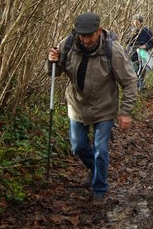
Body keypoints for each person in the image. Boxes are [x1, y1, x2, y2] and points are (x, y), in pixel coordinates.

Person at [47, 12, 138, 203]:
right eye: (82, 35)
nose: (85, 40)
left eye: (89, 35)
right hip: (77, 105)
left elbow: (130, 82)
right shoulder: (69, 44)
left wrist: (126, 112)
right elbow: (55, 72)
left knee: (100, 150)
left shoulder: (113, 50)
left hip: (104, 107)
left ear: (99, 31)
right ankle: (95, 169)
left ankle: (99, 189)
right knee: (77, 146)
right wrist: (52, 61)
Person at [122, 14, 153, 90]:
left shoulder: (147, 31)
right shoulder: (130, 30)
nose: (136, 23)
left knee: (142, 70)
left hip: (143, 53)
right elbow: (126, 41)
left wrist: (145, 46)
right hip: (132, 53)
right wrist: (132, 35)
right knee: (134, 70)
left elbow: (151, 43)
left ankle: (141, 86)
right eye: (134, 21)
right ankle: (135, 88)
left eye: (137, 22)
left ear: (141, 22)